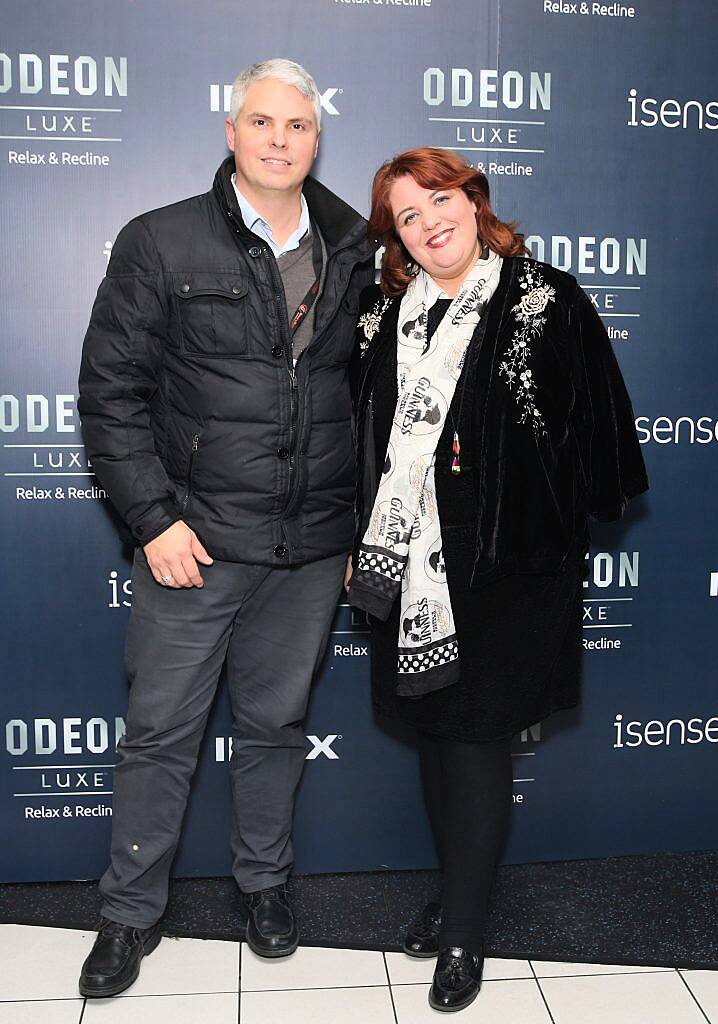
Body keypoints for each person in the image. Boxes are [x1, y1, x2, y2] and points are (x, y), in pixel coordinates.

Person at [76, 59, 375, 997]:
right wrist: (153, 518)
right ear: (231, 131)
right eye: (262, 122)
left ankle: (266, 889)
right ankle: (129, 915)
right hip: (193, 545)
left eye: (297, 125)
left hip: (312, 544)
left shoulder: (358, 246)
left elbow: (383, 395)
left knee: (276, 727)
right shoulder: (160, 240)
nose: (280, 139)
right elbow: (110, 394)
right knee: (159, 732)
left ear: (316, 139)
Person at [347, 147, 648, 1012]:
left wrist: (561, 519)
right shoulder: (382, 313)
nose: (429, 220)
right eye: (407, 214)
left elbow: (599, 423)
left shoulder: (544, 296)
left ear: (473, 199)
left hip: (507, 569)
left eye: (439, 198)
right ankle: (456, 892)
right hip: (406, 565)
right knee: (437, 736)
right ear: (395, 238)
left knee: (475, 739)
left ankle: (465, 936)